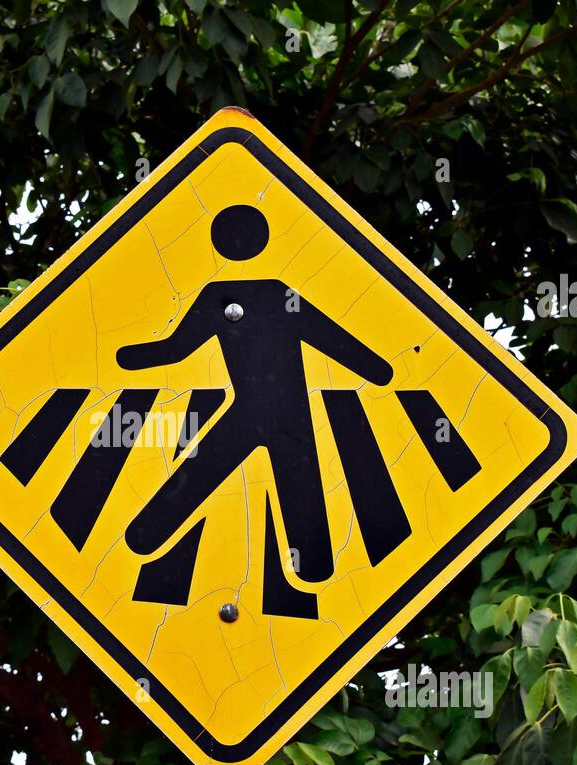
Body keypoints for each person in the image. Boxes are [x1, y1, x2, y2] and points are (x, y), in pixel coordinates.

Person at [117, 204, 393, 583]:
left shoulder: (224, 295)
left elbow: (174, 349)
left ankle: (145, 534)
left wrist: (128, 357)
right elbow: (332, 339)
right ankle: (311, 567)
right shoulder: (276, 294)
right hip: (284, 411)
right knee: (294, 482)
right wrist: (379, 369)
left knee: (212, 470)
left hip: (257, 410)